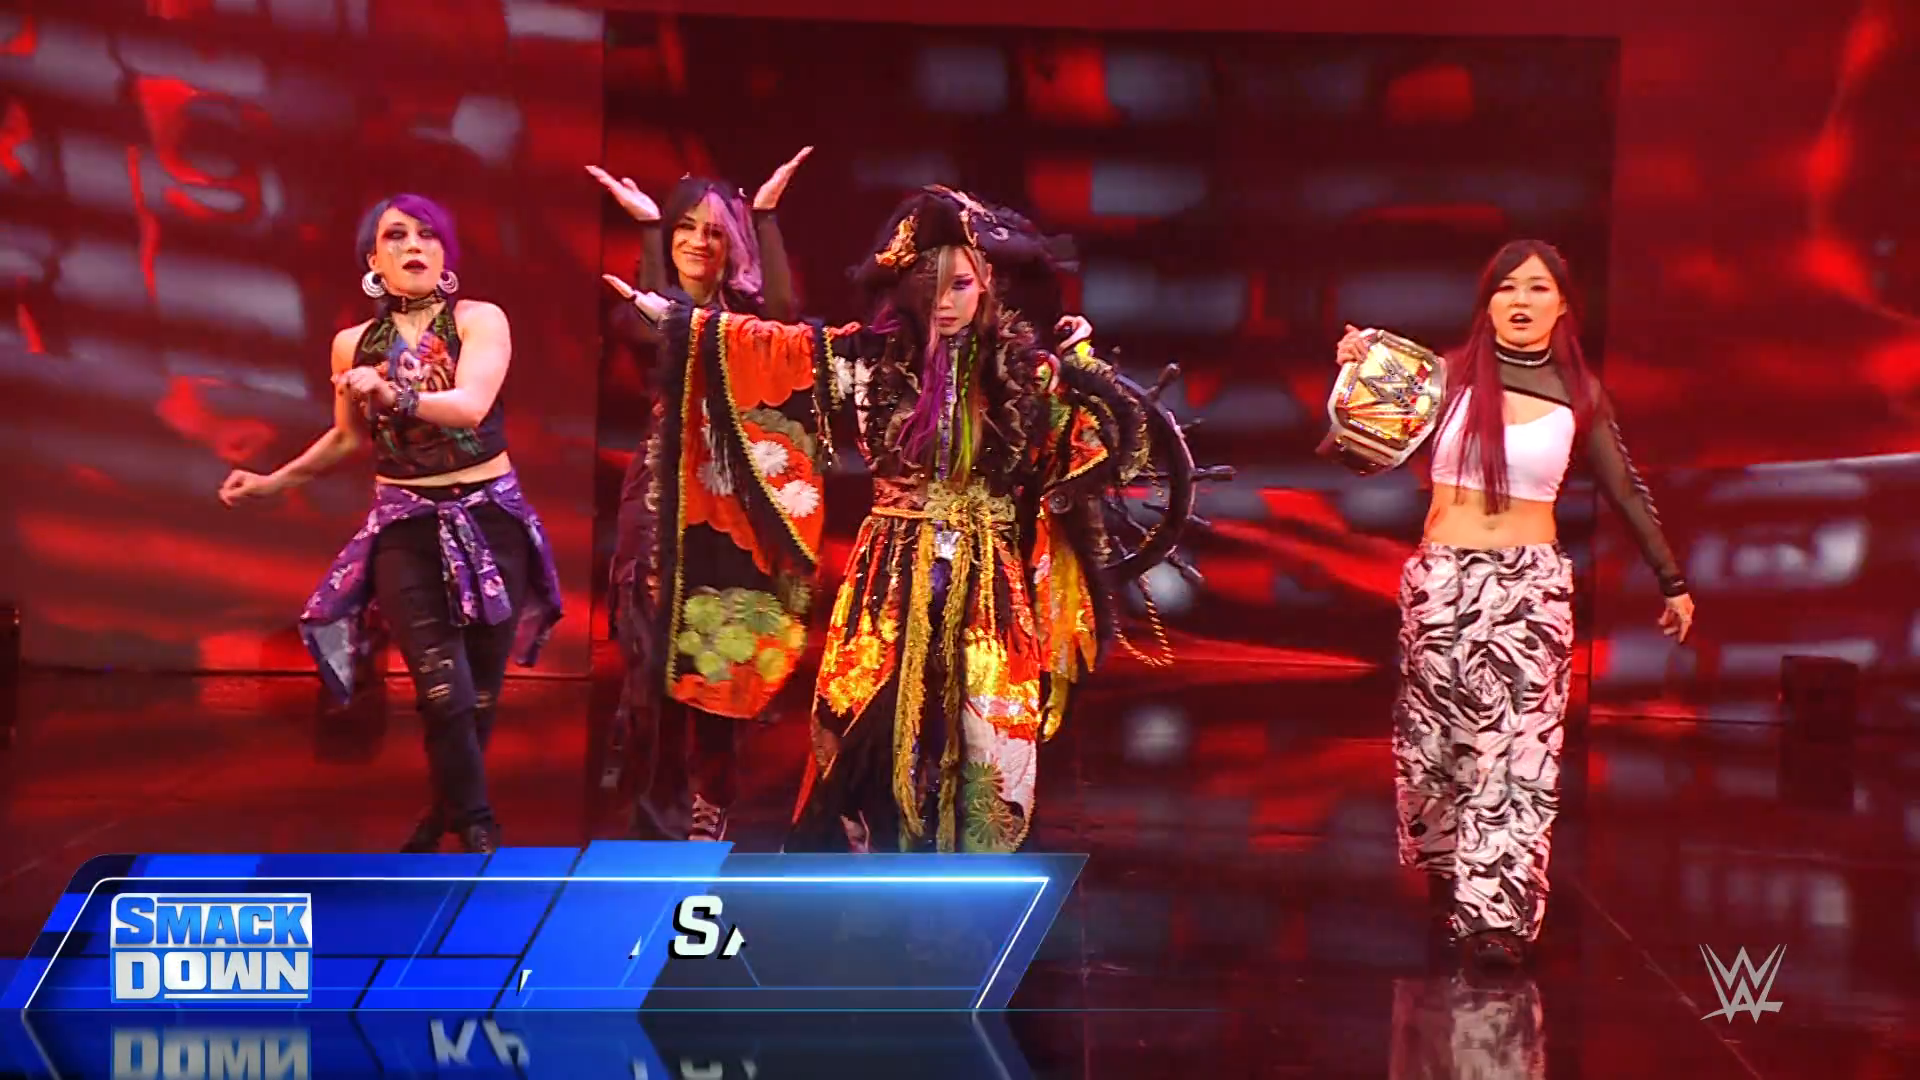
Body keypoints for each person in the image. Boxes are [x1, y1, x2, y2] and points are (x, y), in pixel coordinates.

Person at [606, 185, 1146, 854]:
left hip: (986, 579)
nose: (944, 303)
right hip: (890, 570)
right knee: (867, 718)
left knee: (981, 730)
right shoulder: (868, 358)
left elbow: (1099, 445)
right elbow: (776, 347)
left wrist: (1083, 366)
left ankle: (965, 873)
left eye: (960, 286)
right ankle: (865, 856)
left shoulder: (1022, 371)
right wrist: (683, 322)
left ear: (986, 284)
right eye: (930, 287)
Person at [1333, 239, 1694, 968]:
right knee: (1436, 749)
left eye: (1537, 288)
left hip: (1530, 588)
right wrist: (1358, 374)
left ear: (1562, 305)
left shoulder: (1581, 394)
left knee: (1515, 755)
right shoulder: (1442, 376)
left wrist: (1672, 579)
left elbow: (1626, 490)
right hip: (1441, 583)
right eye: (1507, 288)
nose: (1521, 301)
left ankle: (1494, 921)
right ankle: (1448, 880)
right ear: (1488, 302)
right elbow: (1358, 451)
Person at [219, 194, 563, 855]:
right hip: (406, 527)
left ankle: (442, 815)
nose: (414, 245)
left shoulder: (480, 320)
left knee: (478, 698)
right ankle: (480, 829)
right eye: (396, 236)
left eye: (428, 234)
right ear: (373, 261)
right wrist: (273, 482)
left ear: (445, 253)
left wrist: (395, 393)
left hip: (490, 522)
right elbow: (349, 437)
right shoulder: (353, 345)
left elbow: (470, 405)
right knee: (443, 690)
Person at [586, 150, 809, 842]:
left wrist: (765, 216)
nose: (698, 242)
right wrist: (648, 229)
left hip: (728, 503)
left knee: (717, 651)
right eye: (685, 227)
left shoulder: (746, 320)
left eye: (713, 231)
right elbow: (659, 327)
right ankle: (657, 812)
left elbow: (786, 319)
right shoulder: (646, 304)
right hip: (659, 501)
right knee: (653, 660)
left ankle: (713, 802)